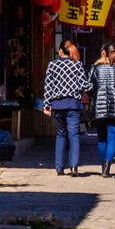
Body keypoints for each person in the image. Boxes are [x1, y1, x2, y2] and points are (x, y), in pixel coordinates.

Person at [42, 40, 91, 176]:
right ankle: (74, 167)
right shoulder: (77, 65)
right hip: (73, 105)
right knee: (73, 135)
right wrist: (93, 86)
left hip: (58, 105)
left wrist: (47, 106)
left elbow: (48, 87)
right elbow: (84, 85)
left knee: (60, 135)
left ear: (60, 51)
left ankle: (59, 168)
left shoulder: (52, 65)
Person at [89, 43, 115, 177]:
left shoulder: (95, 68)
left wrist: (95, 95)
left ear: (103, 53)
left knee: (102, 140)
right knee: (112, 139)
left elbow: (89, 88)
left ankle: (103, 167)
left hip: (98, 109)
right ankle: (107, 168)